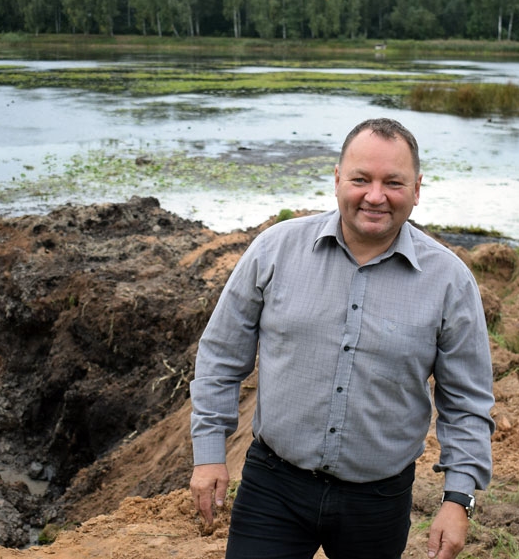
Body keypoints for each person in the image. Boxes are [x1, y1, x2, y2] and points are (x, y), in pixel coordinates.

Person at [189, 118, 495, 559]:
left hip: (379, 502)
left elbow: (467, 401)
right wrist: (209, 453)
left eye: (393, 182)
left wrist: (458, 498)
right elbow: (220, 356)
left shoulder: (450, 282)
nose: (375, 196)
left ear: (417, 189)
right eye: (360, 179)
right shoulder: (274, 250)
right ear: (337, 180)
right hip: (273, 487)